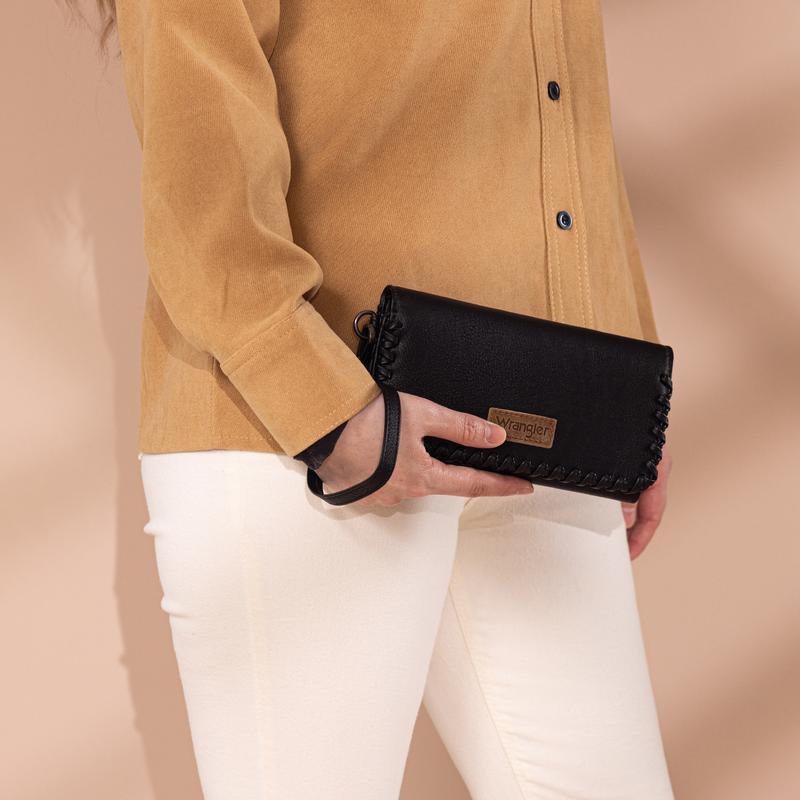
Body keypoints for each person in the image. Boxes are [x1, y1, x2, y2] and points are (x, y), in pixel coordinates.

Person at [82, 0, 675, 796]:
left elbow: (562, 92)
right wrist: (328, 413)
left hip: (539, 401)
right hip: (308, 432)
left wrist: (626, 378)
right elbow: (199, 162)